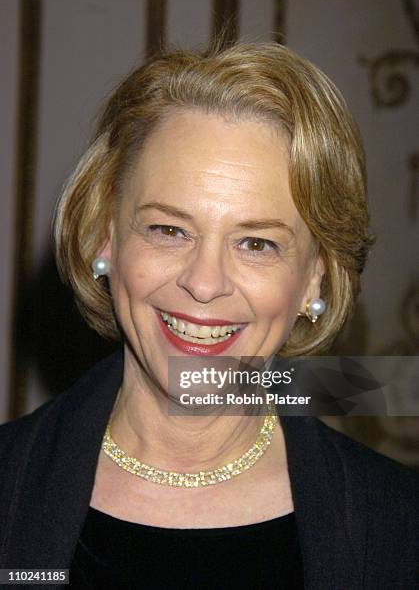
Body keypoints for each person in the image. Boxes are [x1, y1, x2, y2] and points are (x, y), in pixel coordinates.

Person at [0, 40, 418, 589]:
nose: (203, 284)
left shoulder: (400, 528)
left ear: (315, 276)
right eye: (168, 230)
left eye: (257, 243)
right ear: (104, 235)